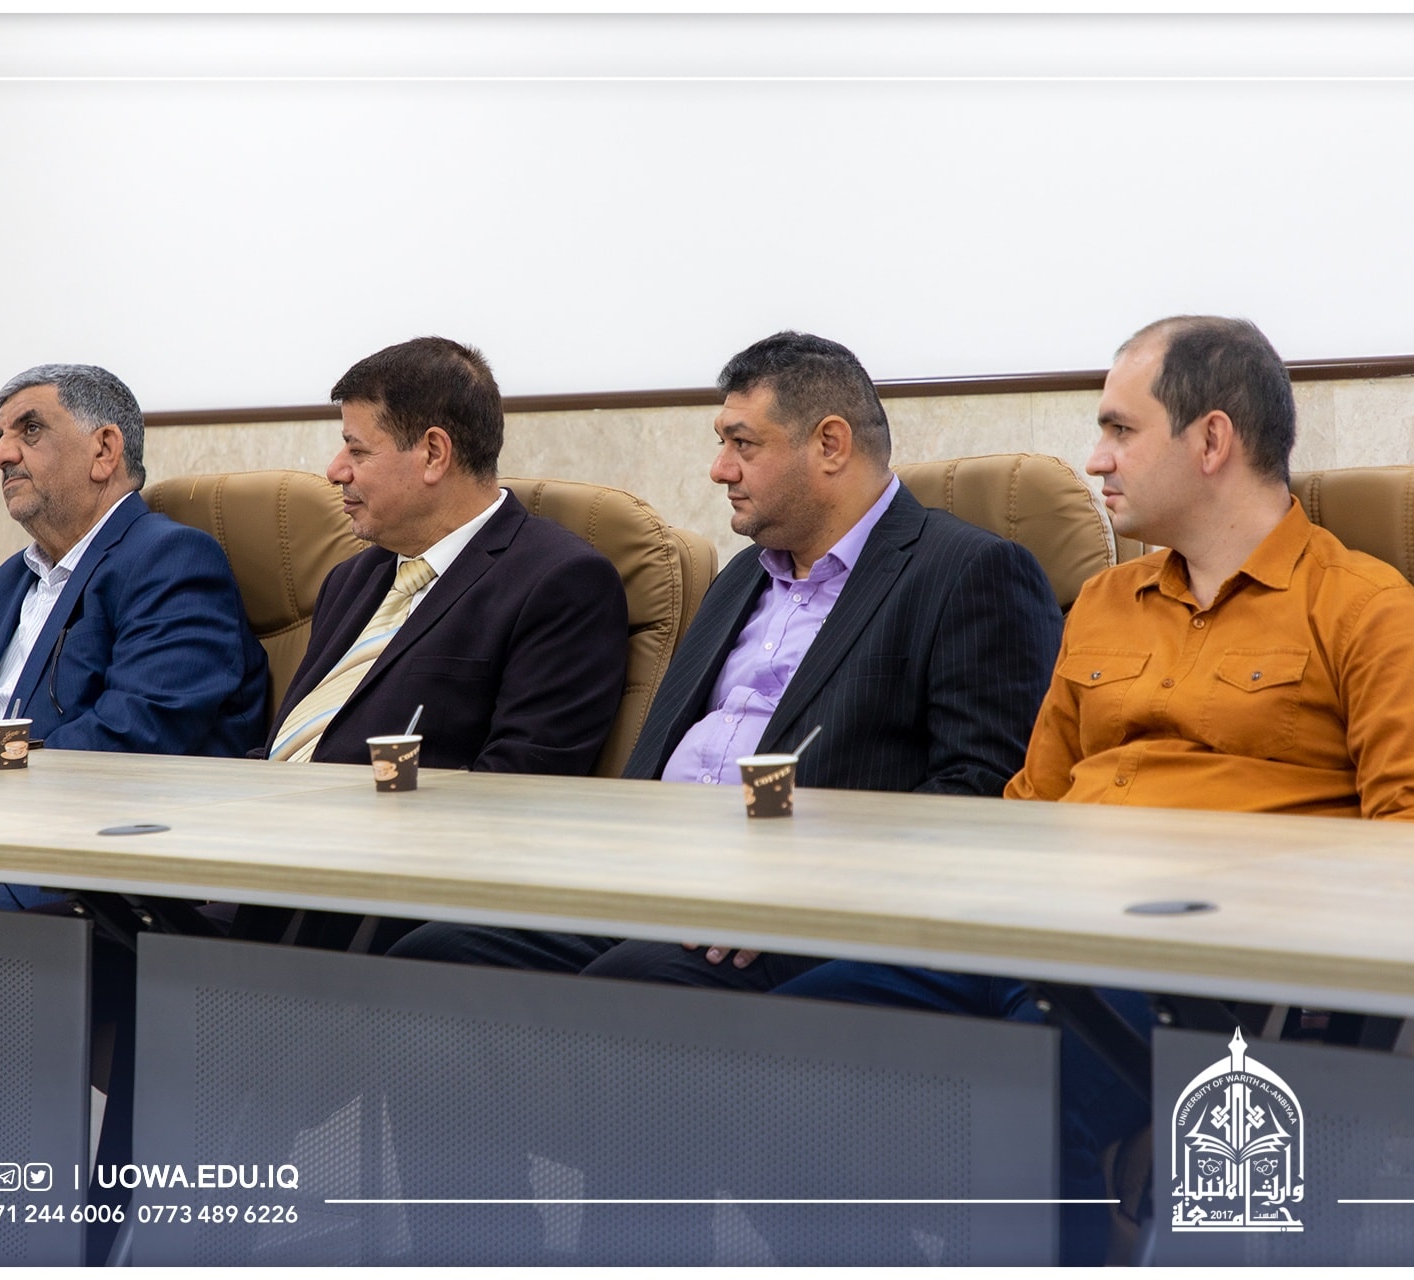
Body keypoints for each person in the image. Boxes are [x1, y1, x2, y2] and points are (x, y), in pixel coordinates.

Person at [778, 315, 1414, 1263]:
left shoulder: (1370, 610)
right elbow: (1030, 806)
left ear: (1212, 440)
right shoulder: (1107, 603)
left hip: (1199, 971)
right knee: (781, 1046)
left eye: (1119, 429)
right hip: (1032, 930)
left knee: (1019, 1102)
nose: (1095, 458)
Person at [387, 330, 1063, 987]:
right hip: (650, 878)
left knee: (631, 983)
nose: (720, 470)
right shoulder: (742, 576)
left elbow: (981, 791)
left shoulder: (970, 571)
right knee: (432, 955)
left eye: (743, 444)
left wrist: (810, 888)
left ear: (830, 444)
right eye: (722, 444)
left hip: (800, 905)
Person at [0, 363, 270, 908]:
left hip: (91, 852)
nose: (0, 455)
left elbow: (134, 733)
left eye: (29, 430)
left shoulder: (170, 559)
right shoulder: (7, 583)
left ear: (104, 450)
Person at [262, 336, 629, 774]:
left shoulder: (562, 583)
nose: (335, 470)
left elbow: (522, 783)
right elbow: (286, 746)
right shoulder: (351, 580)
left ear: (434, 454)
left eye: (357, 450)